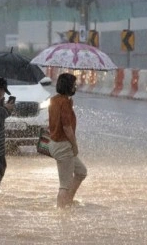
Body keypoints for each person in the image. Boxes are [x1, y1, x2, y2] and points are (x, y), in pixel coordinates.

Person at [48, 73, 87, 208]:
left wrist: (70, 105)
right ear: (68, 86)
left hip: (55, 144)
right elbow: (67, 128)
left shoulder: (55, 100)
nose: (75, 87)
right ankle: (62, 212)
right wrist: (75, 146)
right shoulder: (64, 102)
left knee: (81, 171)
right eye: (74, 85)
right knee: (65, 184)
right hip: (63, 146)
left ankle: (68, 201)